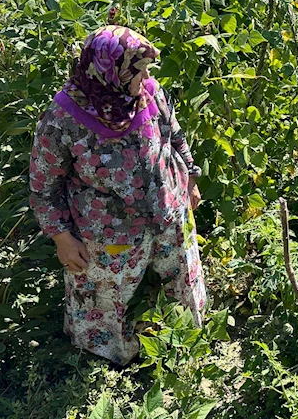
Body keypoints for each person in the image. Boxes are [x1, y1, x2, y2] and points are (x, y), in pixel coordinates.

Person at [28, 25, 206, 365]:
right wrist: (62, 239)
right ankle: (107, 365)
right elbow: (43, 185)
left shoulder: (149, 93)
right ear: (109, 70)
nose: (147, 75)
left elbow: (174, 135)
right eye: (137, 69)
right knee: (104, 303)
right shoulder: (64, 117)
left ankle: (187, 345)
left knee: (183, 281)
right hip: (109, 233)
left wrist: (190, 177)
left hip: (169, 212)